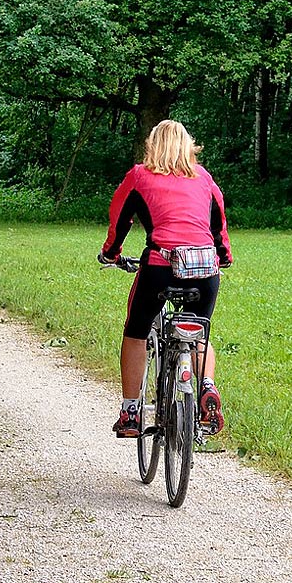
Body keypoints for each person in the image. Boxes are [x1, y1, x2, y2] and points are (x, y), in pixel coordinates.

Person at [98, 119, 233, 438]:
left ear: (152, 146)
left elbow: (120, 219)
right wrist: (223, 257)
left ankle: (131, 412)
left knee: (136, 331)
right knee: (198, 331)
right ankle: (207, 387)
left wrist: (111, 254)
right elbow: (219, 226)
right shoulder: (204, 178)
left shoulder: (139, 175)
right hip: (205, 270)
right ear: (189, 147)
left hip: (160, 267)